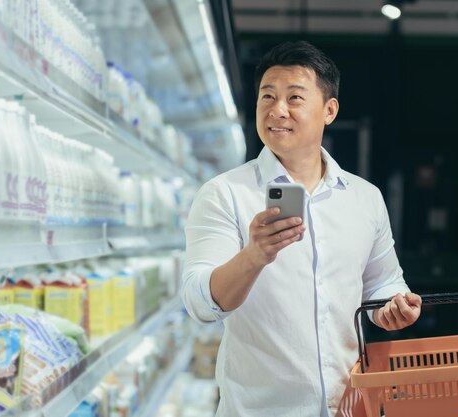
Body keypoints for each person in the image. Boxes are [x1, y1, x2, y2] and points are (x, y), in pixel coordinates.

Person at [181, 40, 422, 417]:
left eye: (294, 98)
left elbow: (382, 282)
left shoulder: (364, 198)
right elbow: (199, 303)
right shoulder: (224, 194)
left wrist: (392, 306)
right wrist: (253, 257)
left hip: (350, 407)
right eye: (267, 97)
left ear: (329, 110)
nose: (278, 110)